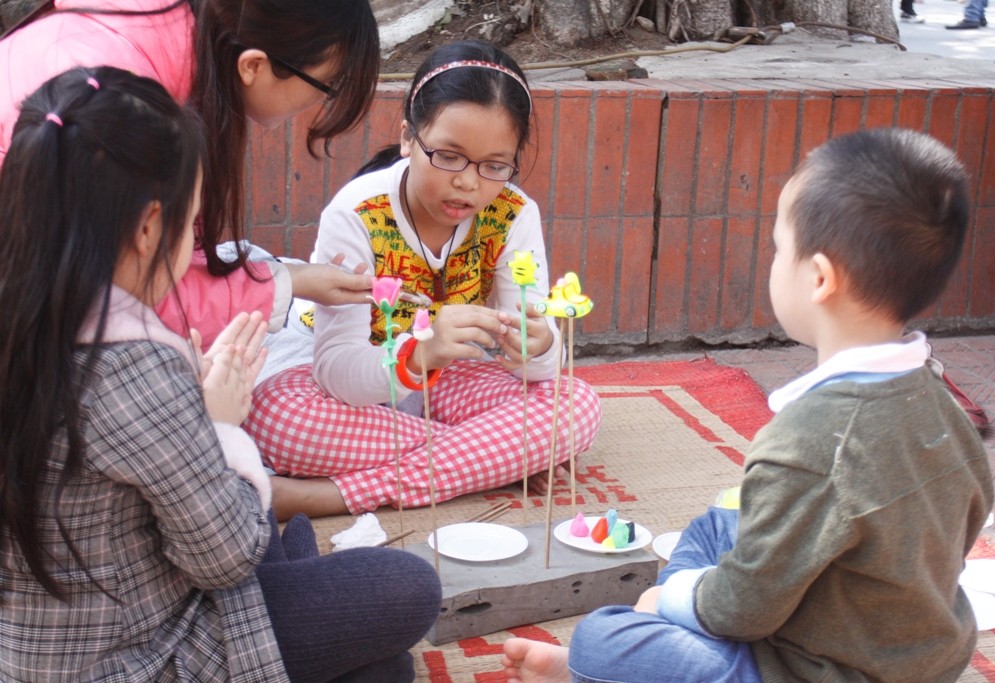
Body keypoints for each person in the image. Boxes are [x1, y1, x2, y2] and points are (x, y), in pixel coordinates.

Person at [501, 128, 994, 683]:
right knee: (717, 525)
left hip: (820, 668)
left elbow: (743, 611)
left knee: (600, 639)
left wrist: (669, 600)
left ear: (819, 278)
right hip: (921, 652)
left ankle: (616, 658)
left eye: (779, 248)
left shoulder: (811, 440)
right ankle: (671, 622)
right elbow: (966, 513)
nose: (775, 261)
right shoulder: (942, 405)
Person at [0, 66, 440, 682]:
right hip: (139, 650)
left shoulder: (32, 317)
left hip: (32, 644)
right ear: (151, 225)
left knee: (381, 663)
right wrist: (218, 426)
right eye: (194, 219)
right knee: (407, 588)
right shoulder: (130, 365)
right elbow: (225, 558)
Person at [244, 40, 603, 520]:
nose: (469, 183)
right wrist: (421, 354)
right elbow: (335, 371)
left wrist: (538, 346)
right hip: (365, 386)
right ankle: (498, 460)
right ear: (409, 138)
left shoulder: (514, 214)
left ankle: (334, 495)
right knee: (278, 418)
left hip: (452, 387)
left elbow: (539, 368)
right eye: (449, 156)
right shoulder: (358, 213)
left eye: (495, 166)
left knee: (576, 405)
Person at [0, 0, 381, 350]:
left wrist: (290, 280)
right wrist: (288, 283)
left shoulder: (165, 47)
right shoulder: (126, 110)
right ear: (253, 65)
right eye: (326, 86)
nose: (320, 102)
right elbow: (127, 293)